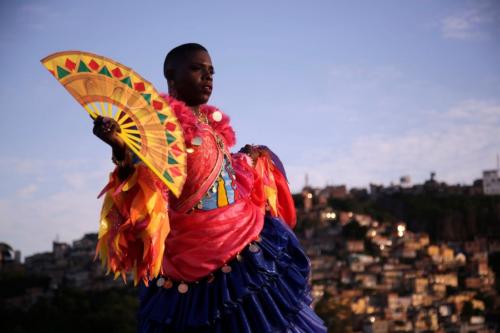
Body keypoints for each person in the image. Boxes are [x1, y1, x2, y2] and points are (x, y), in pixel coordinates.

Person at [93, 43, 326, 333]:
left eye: (211, 71)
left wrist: (248, 157)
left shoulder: (210, 125)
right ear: (171, 75)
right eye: (196, 68)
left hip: (244, 239)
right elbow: (139, 182)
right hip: (189, 254)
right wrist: (120, 148)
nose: (208, 77)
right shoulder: (155, 129)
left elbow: (223, 172)